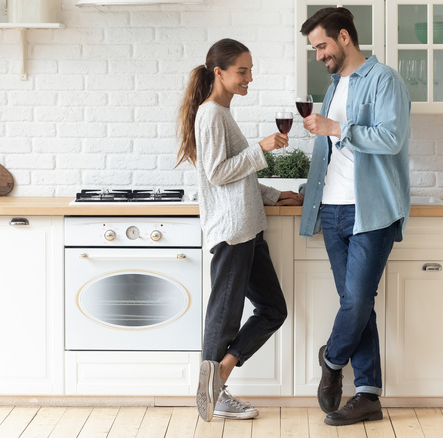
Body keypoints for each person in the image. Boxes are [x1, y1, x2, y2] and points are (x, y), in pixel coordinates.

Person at [176, 38, 304, 422]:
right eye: (242, 71)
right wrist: (262, 148)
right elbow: (217, 174)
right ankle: (214, 388)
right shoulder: (212, 114)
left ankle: (220, 374)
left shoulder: (221, 113)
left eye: (250, 70)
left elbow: (237, 177)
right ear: (220, 72)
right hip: (233, 231)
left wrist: (274, 193)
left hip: (248, 228)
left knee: (272, 309)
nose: (249, 77)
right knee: (225, 313)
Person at [298, 7, 411, 427]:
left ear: (344, 37)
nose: (318, 55)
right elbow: (333, 152)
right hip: (332, 208)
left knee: (359, 299)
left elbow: (391, 137)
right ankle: (368, 395)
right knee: (355, 304)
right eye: (314, 48)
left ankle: (331, 360)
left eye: (322, 45)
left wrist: (334, 128)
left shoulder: (385, 80)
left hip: (371, 209)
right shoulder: (333, 85)